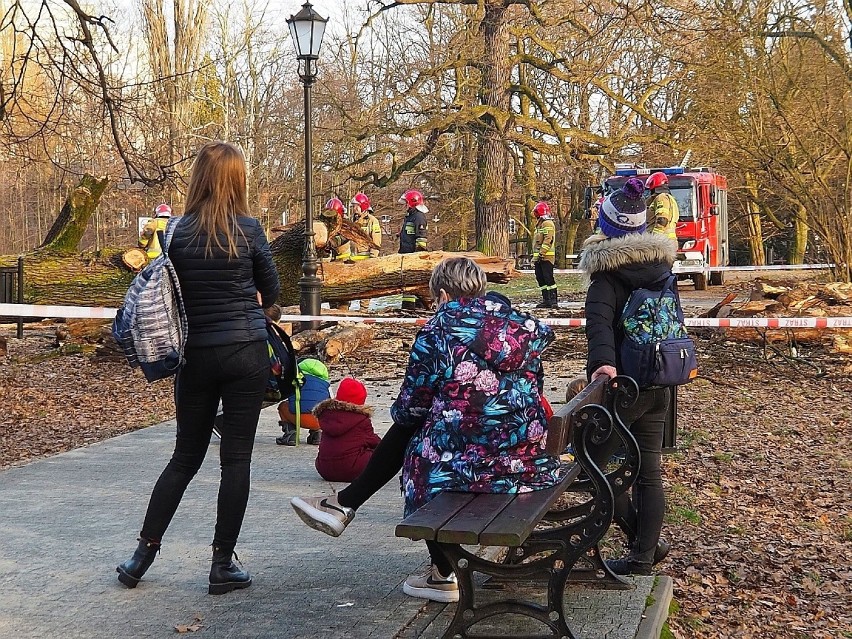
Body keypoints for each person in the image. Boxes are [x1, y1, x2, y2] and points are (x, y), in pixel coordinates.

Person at [291, 257, 562, 603]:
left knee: (422, 453)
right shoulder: (521, 328)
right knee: (427, 438)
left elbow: (410, 407)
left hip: (470, 462)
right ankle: (345, 506)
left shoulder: (437, 331)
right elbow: (535, 387)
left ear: (444, 295)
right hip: (525, 458)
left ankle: (441, 571)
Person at [116, 141, 280, 594]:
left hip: (196, 356)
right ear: (237, 180)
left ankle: (141, 555)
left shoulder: (174, 234)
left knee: (185, 457)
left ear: (198, 180)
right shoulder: (250, 230)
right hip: (246, 352)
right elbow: (273, 289)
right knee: (237, 461)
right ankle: (222, 564)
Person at [577, 176, 677, 576]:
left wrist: (603, 367)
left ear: (607, 226)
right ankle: (644, 551)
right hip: (660, 381)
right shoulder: (662, 267)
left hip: (624, 387)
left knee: (596, 469)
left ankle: (641, 544)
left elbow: (598, 325)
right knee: (648, 473)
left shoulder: (606, 275)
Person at [313, 377, 381, 483]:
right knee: (376, 454)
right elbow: (374, 442)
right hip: (351, 469)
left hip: (324, 469)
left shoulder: (327, 416)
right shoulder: (361, 420)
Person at [276, 358, 331, 446]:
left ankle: (291, 435)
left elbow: (285, 395)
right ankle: (318, 434)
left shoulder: (296, 380)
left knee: (282, 406)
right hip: (320, 422)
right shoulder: (325, 384)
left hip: (298, 418)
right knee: (323, 408)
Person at [350, 193, 382, 312]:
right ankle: (345, 309)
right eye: (353, 206)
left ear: (363, 206)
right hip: (352, 260)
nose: (354, 209)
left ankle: (363, 310)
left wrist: (372, 259)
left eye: (356, 206)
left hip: (365, 260)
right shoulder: (352, 221)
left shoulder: (372, 221)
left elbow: (376, 242)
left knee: (364, 287)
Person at [397, 189, 428, 310]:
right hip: (406, 255)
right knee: (407, 285)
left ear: (411, 203)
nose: (404, 205)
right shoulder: (410, 217)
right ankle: (408, 309)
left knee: (413, 285)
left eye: (406, 202)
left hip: (413, 257)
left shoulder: (418, 217)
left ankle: (414, 308)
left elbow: (421, 239)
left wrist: (416, 258)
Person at [531, 201, 558, 309]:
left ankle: (553, 300)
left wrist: (541, 253)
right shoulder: (540, 224)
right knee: (540, 278)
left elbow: (548, 240)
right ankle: (546, 300)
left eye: (536, 212)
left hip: (546, 257)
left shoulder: (547, 223)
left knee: (548, 278)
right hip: (539, 257)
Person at [645, 172, 679, 240]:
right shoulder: (669, 198)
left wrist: (654, 238)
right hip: (667, 241)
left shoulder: (661, 197)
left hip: (662, 242)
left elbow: (662, 220)